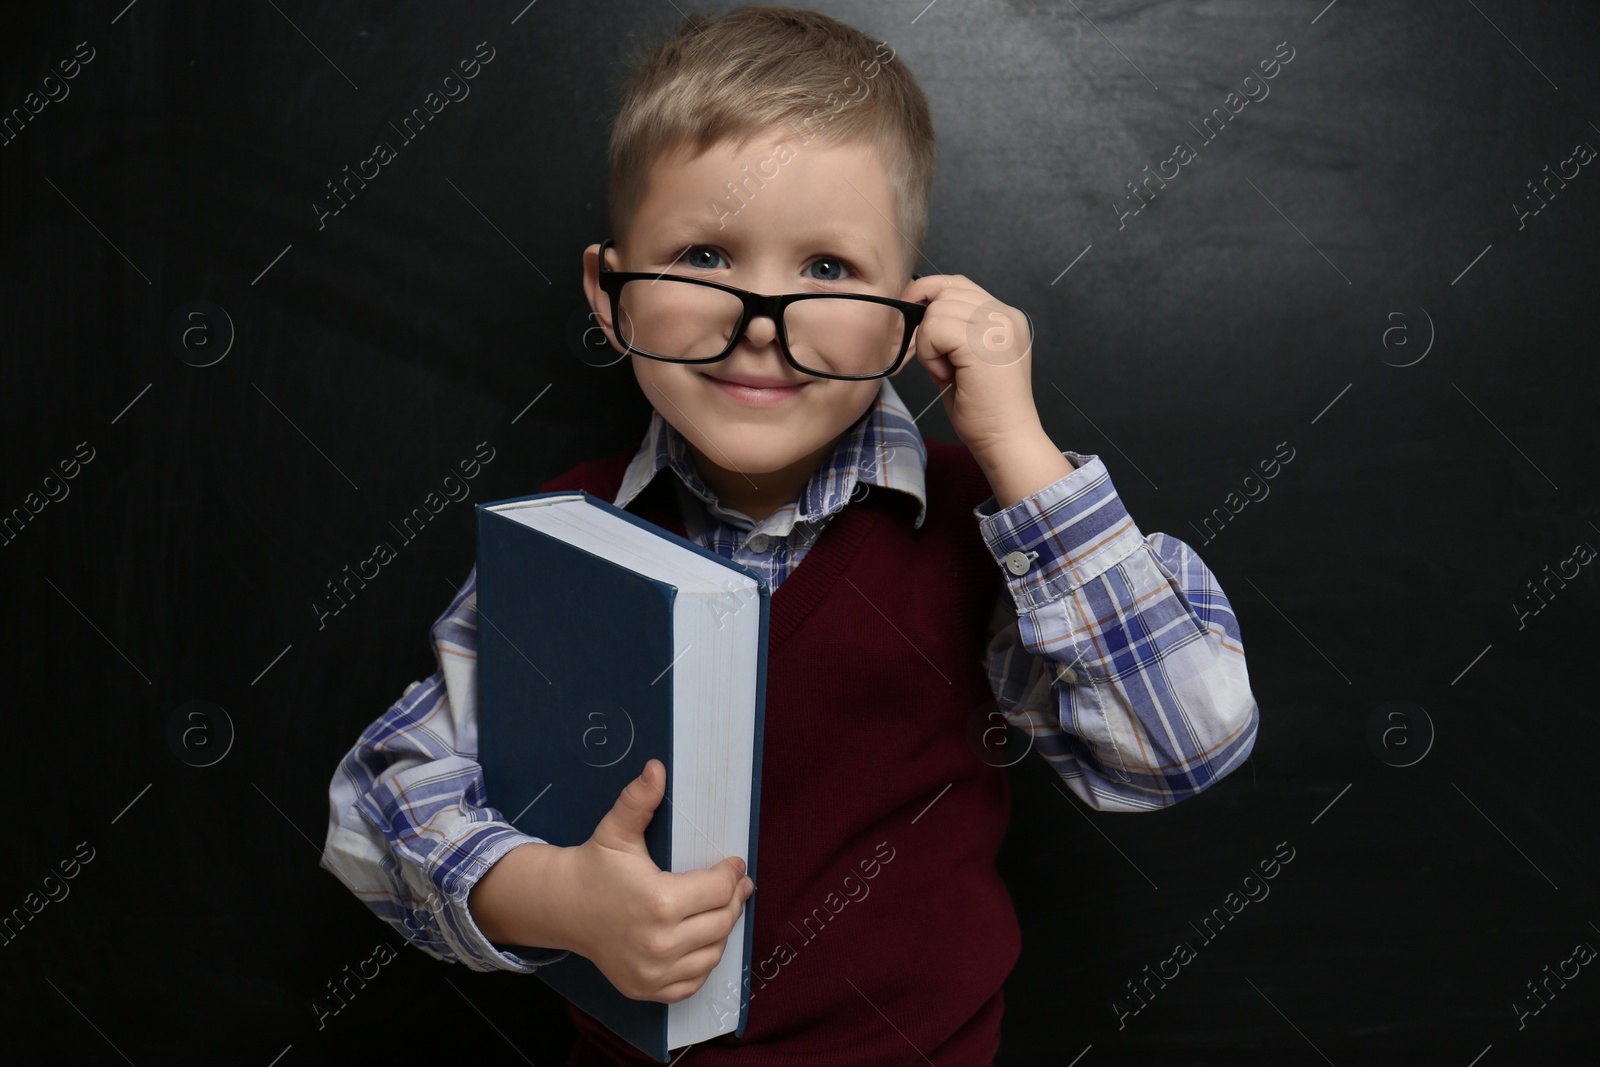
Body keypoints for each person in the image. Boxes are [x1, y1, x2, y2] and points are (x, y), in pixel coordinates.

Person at [321, 7, 1259, 1064]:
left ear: (905, 315)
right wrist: (553, 895)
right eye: (706, 252)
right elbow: (375, 799)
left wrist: (1020, 451)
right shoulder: (569, 535)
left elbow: (1184, 744)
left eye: (826, 271)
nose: (761, 321)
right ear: (610, 292)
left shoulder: (988, 533)